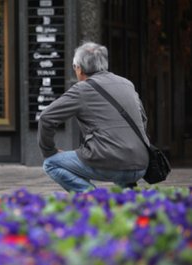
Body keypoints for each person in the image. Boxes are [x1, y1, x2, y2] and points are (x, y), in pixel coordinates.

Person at [38, 42, 149, 193]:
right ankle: (128, 199)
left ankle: (95, 199)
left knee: (51, 163)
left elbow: (46, 118)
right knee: (115, 156)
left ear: (79, 68)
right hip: (141, 163)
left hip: (113, 163)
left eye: (75, 67)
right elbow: (143, 119)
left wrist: (48, 151)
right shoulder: (127, 84)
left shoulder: (82, 89)